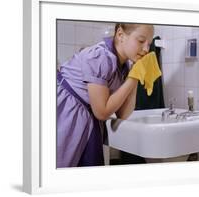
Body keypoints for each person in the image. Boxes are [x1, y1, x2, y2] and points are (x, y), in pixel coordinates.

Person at [57, 23, 154, 168]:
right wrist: (133, 78)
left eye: (149, 44)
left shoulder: (125, 66)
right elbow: (102, 112)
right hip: (68, 111)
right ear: (120, 35)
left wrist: (134, 75)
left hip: (88, 117)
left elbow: (123, 114)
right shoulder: (100, 56)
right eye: (141, 41)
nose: (146, 49)